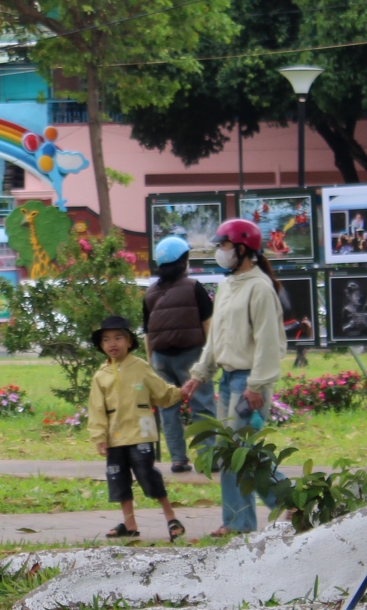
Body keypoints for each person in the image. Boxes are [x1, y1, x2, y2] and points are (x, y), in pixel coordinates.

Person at [183, 218, 286, 537]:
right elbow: (216, 338)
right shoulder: (227, 285)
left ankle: (291, 503)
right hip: (228, 379)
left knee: (246, 452)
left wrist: (256, 386)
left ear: (242, 249)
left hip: (249, 381)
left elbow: (269, 342)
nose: (220, 251)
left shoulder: (260, 288)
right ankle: (237, 522)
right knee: (229, 451)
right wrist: (200, 374)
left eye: (225, 245)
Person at [88, 316, 188, 541]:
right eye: (106, 340)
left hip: (140, 434)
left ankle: (171, 518)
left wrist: (181, 392)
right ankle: (129, 523)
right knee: (118, 479)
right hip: (114, 438)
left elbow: (161, 393)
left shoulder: (140, 367)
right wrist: (99, 436)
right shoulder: (101, 376)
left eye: (118, 338)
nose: (112, 343)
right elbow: (96, 409)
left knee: (148, 474)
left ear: (129, 341)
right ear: (101, 345)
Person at [143, 236, 216, 473]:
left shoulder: (150, 293)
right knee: (202, 406)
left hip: (160, 358)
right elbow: (208, 325)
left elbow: (147, 333)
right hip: (191, 356)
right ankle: (208, 459)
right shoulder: (194, 287)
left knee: (168, 409)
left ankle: (178, 459)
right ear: (183, 261)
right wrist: (211, 357)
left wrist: (152, 362)